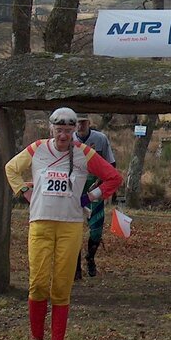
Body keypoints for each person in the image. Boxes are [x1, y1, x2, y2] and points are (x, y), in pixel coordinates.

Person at [5, 107, 122, 340]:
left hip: (69, 225)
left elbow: (113, 177)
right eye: (59, 130)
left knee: (61, 285)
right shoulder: (37, 149)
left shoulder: (84, 153)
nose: (63, 135)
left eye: (69, 130)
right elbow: (11, 168)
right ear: (51, 129)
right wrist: (22, 193)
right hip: (40, 224)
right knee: (37, 283)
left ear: (75, 131)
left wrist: (91, 196)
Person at [74, 114, 116, 279]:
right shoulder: (67, 138)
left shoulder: (100, 139)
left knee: (96, 229)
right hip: (74, 187)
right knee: (73, 228)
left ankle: (90, 257)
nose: (79, 126)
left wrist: (100, 183)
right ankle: (75, 268)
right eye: (77, 122)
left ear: (89, 123)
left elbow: (111, 164)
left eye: (83, 122)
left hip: (94, 186)